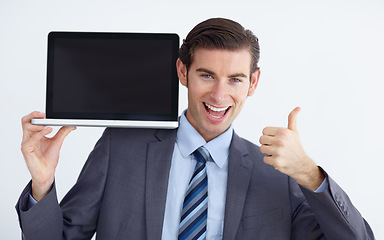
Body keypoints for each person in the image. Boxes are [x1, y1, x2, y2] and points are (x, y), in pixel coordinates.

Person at [16, 18, 375, 240]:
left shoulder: (278, 173)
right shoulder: (120, 148)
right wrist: (43, 185)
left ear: (253, 83)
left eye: (235, 79)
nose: (220, 95)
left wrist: (311, 176)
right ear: (182, 72)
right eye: (206, 75)